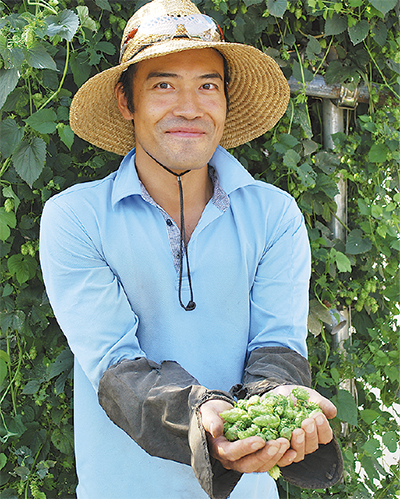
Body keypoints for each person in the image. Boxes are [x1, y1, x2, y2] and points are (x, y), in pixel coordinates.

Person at [39, 0, 343, 497]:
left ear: (225, 99)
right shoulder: (75, 217)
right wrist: (201, 418)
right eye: (163, 85)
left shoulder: (274, 215)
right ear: (126, 101)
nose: (189, 107)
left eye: (207, 85)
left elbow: (278, 345)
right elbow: (115, 366)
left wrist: (280, 395)